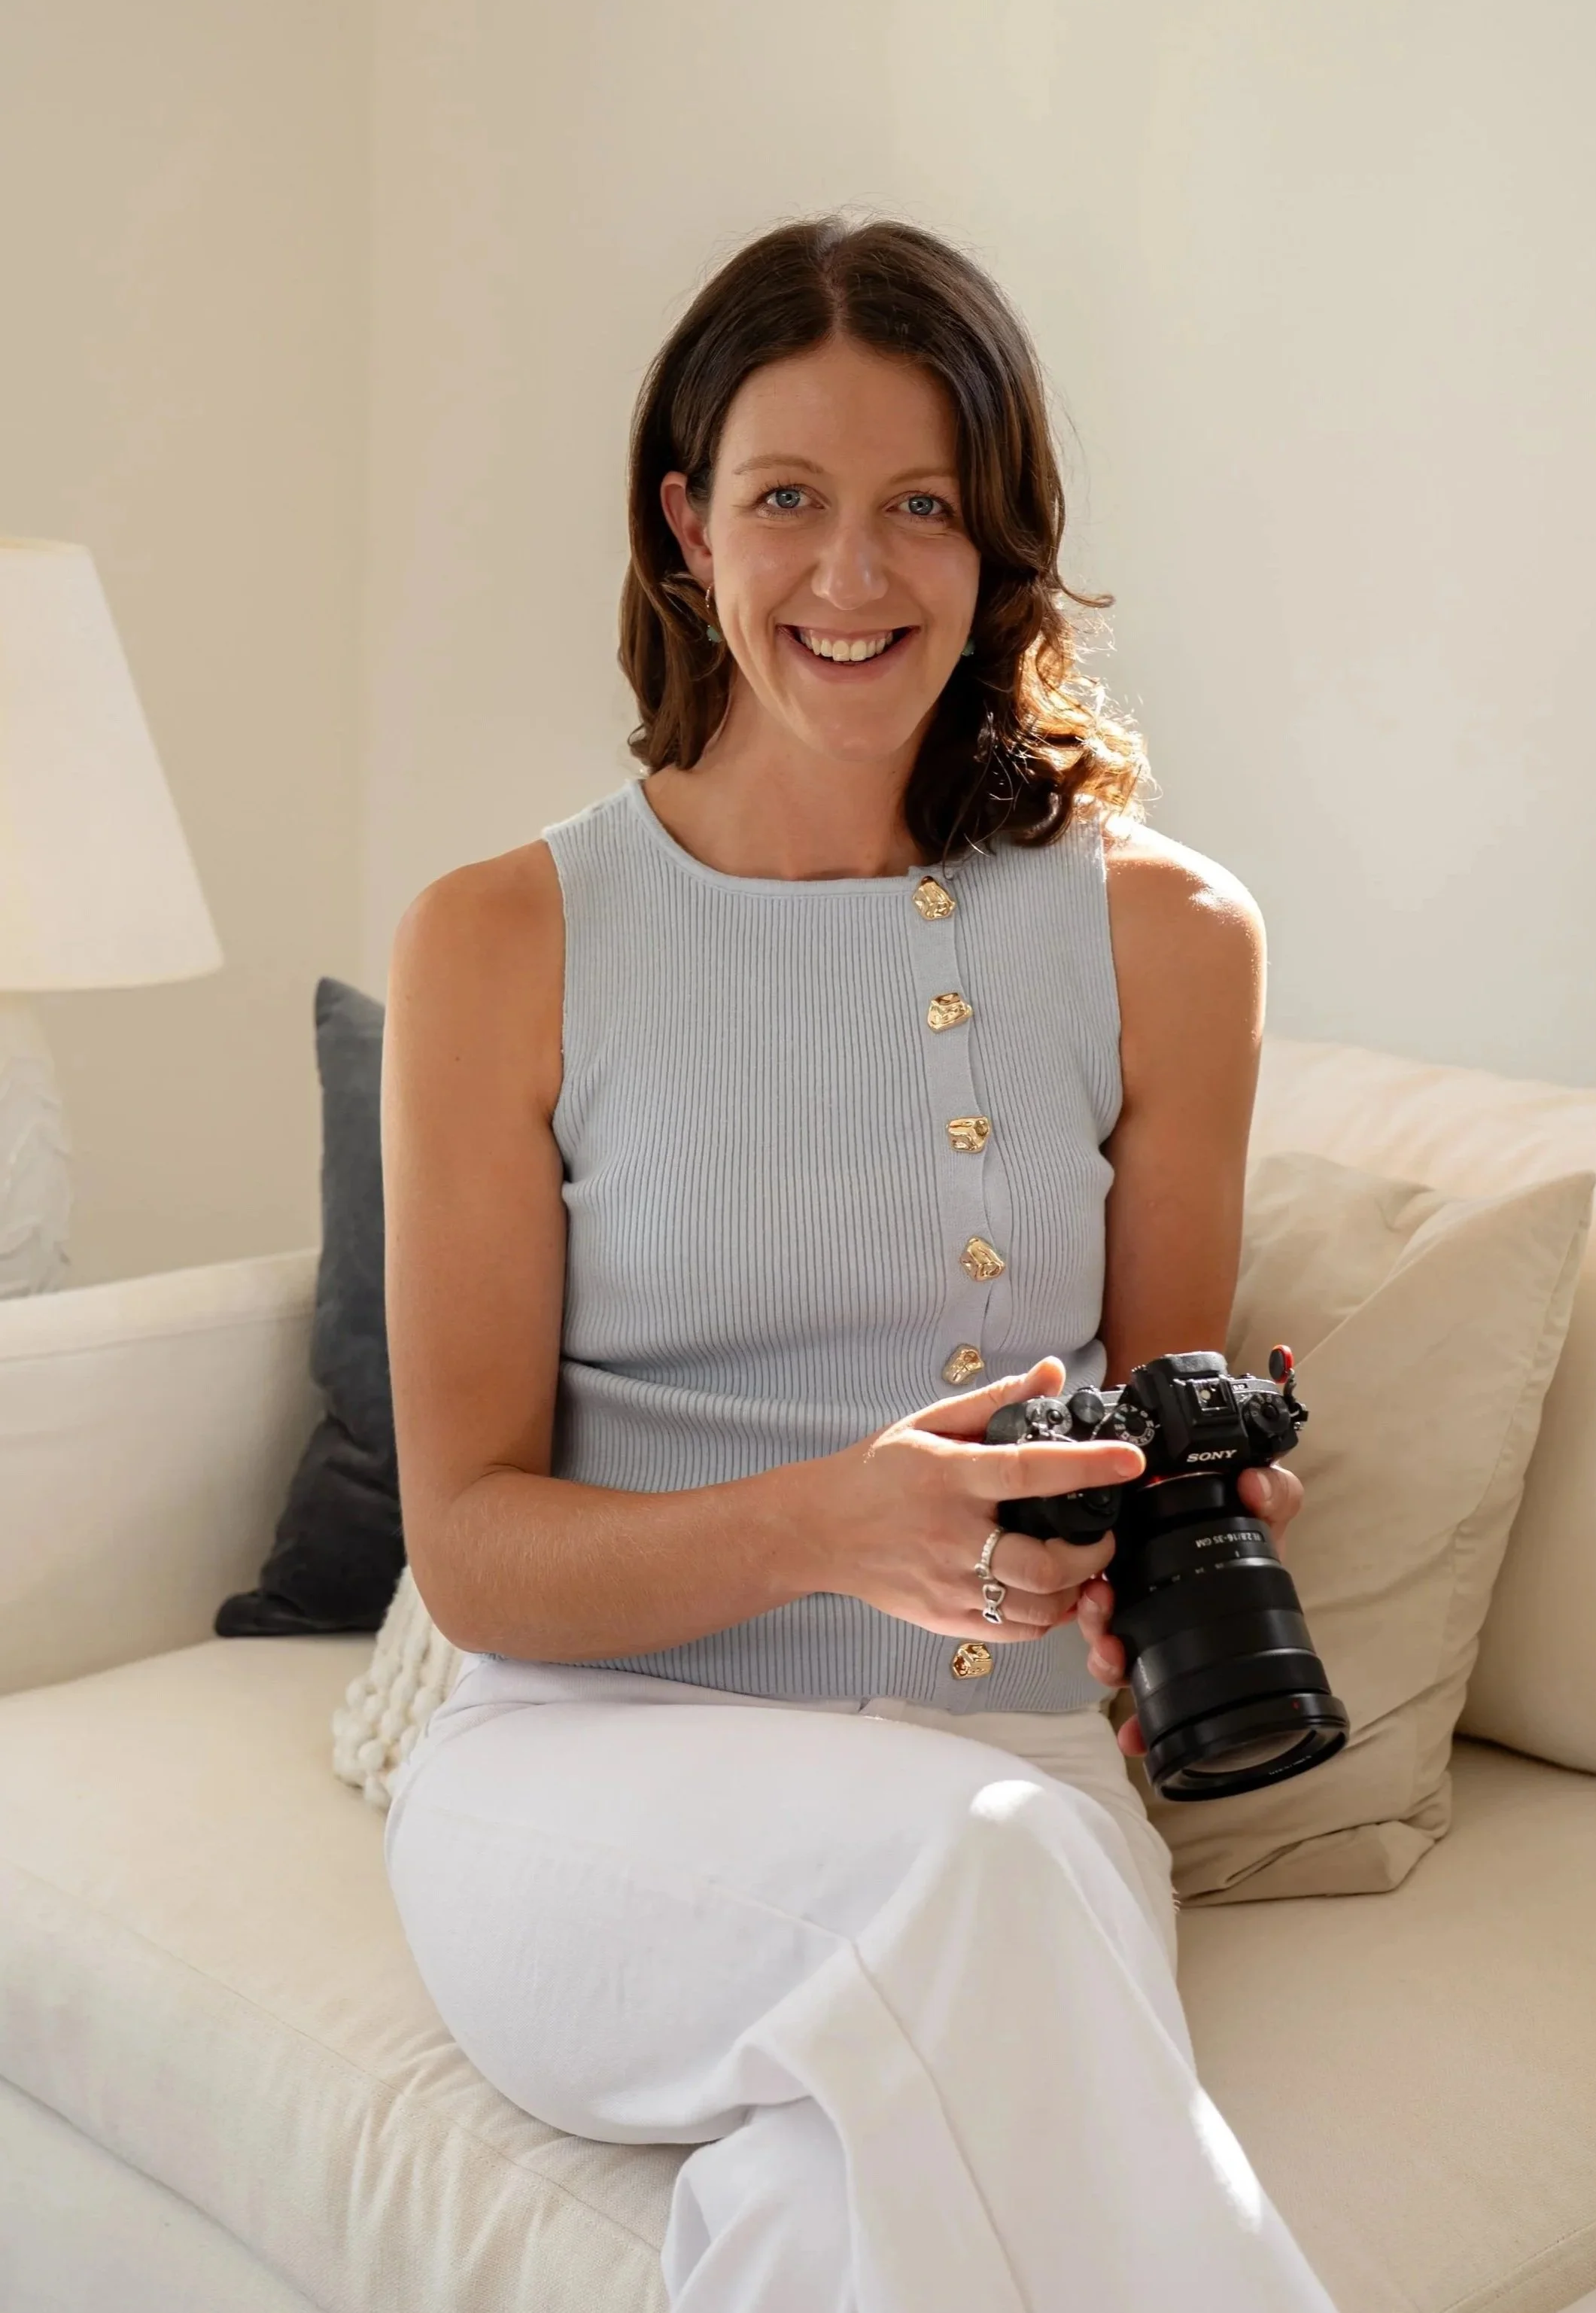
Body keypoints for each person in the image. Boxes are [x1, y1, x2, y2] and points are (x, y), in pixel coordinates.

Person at [380, 213, 1338, 2311]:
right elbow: (469, 1549)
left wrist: (1183, 1506)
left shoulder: (1166, 938)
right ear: (681, 525)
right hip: (587, 1779)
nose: (852, 574)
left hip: (1016, 1770)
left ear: (997, 547)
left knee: (834, 2223)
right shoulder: (501, 940)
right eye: (788, 499)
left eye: (922, 508)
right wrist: (840, 1523)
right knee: (977, 1897)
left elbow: (1141, 1435)